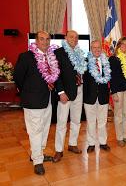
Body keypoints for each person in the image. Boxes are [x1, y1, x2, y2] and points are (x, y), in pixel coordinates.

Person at [14, 31, 60, 175]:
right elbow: (18, 78)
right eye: (42, 39)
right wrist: (28, 91)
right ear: (36, 41)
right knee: (35, 130)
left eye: (47, 39)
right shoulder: (26, 57)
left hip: (47, 100)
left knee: (45, 128)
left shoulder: (51, 57)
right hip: (32, 100)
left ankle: (37, 153)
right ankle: (38, 161)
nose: (45, 42)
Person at [53, 30, 87, 162]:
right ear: (66, 37)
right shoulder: (58, 53)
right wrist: (61, 92)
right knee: (61, 122)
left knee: (76, 120)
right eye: (72, 36)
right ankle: (58, 150)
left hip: (79, 90)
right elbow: (57, 75)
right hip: (65, 93)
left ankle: (72, 144)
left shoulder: (79, 52)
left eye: (76, 37)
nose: (74, 39)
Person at [83, 40, 111, 153]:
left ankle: (103, 142)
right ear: (91, 48)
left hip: (103, 96)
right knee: (90, 122)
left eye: (99, 47)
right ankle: (91, 144)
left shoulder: (106, 61)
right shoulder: (85, 62)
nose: (97, 49)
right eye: (94, 47)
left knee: (102, 121)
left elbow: (110, 79)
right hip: (89, 97)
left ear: (101, 48)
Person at [109, 37, 126, 147]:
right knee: (118, 114)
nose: (125, 46)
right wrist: (113, 92)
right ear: (118, 45)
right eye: (122, 44)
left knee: (125, 113)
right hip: (118, 90)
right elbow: (112, 77)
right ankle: (119, 137)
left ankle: (124, 135)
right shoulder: (114, 59)